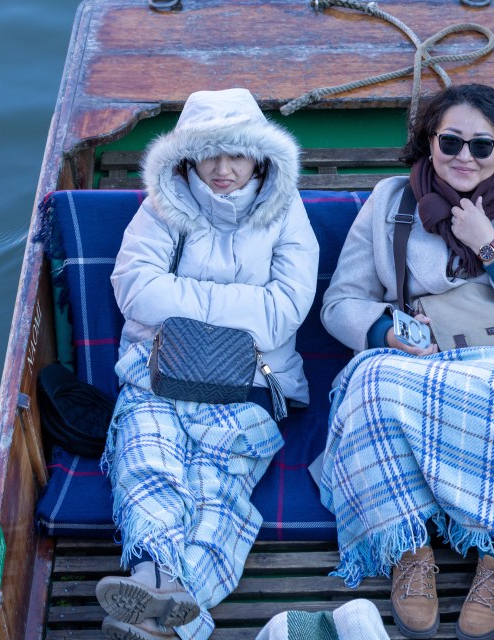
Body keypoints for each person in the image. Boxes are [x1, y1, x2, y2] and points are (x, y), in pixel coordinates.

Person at [318, 84, 494, 640]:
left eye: (482, 146)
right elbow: (340, 303)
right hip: (419, 356)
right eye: (451, 141)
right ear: (429, 142)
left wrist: (490, 245)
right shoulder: (391, 200)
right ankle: (408, 548)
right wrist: (383, 330)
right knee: (370, 380)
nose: (465, 156)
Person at [94, 88, 319, 640]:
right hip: (157, 374)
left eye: (236, 154)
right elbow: (133, 289)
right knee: (148, 460)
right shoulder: (162, 206)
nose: (223, 169)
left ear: (260, 156)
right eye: (209, 154)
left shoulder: (286, 212)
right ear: (186, 156)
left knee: (216, 485)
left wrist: (184, 298)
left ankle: (156, 602)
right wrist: (239, 306)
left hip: (251, 385)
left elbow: (282, 314)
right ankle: (163, 597)